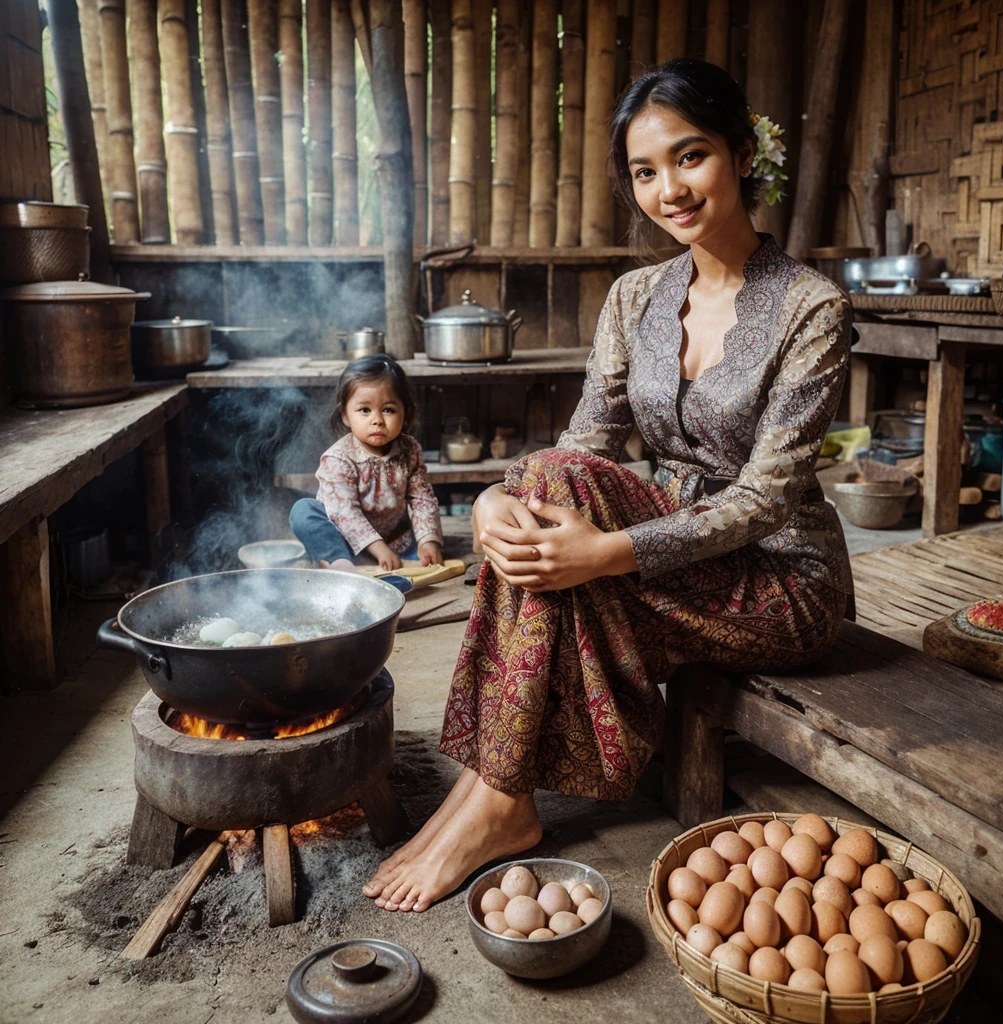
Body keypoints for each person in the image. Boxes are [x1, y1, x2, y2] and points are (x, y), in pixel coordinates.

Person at [363, 58, 853, 913]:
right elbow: (583, 443)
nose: (670, 189)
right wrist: (490, 500)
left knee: (571, 548)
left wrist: (609, 552)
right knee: (548, 486)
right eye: (645, 171)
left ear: (742, 154)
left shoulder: (813, 307)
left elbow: (767, 498)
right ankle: (494, 796)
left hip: (778, 577)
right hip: (673, 551)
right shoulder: (635, 297)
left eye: (690, 156)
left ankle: (494, 800)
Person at [290, 353, 444, 571]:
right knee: (303, 511)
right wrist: (379, 549)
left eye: (388, 410)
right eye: (364, 410)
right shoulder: (339, 458)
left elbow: (422, 500)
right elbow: (345, 513)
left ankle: (394, 557)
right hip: (346, 539)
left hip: (395, 540)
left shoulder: (409, 451)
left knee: (430, 548)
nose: (377, 421)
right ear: (345, 415)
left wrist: (428, 541)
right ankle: (338, 562)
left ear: (405, 413)